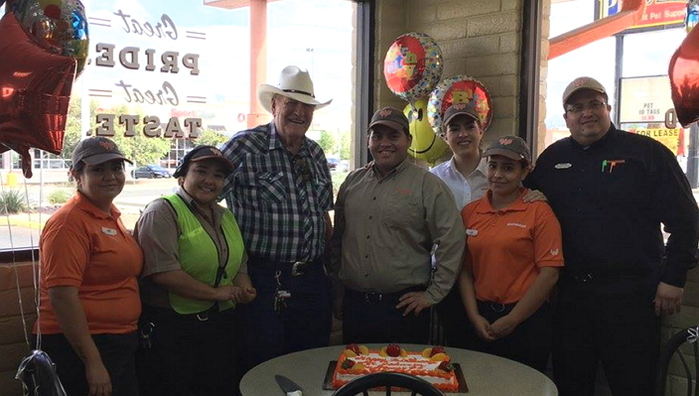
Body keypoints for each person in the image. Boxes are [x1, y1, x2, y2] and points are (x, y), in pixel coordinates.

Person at [526, 76, 699, 396]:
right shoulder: (551, 160)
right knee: (571, 384)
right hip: (570, 299)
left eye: (594, 104)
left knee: (633, 384)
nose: (586, 113)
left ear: (608, 108)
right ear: (566, 118)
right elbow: (526, 209)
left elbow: (687, 220)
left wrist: (674, 278)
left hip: (632, 298)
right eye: (576, 108)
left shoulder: (647, 154)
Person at [219, 65, 334, 370]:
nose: (299, 112)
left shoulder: (316, 153)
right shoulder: (244, 147)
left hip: (312, 280)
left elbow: (323, 217)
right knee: (262, 365)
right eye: (290, 103)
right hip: (262, 279)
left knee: (311, 363)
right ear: (273, 105)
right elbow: (201, 198)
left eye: (306, 106)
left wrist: (330, 272)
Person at [328, 107, 466, 344]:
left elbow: (452, 240)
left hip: (404, 309)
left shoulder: (428, 185)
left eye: (393, 136)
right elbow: (338, 240)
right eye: (377, 136)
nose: (384, 143)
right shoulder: (352, 182)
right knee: (357, 377)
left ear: (408, 140)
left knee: (404, 378)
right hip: (356, 306)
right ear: (368, 140)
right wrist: (337, 291)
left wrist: (433, 294)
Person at [133, 146, 255, 396]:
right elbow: (163, 272)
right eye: (201, 171)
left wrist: (244, 288)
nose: (210, 181)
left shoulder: (225, 215)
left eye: (218, 176)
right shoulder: (162, 211)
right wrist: (217, 294)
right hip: (174, 328)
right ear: (182, 175)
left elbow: (239, 264)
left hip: (218, 327)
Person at [430, 102, 544, 347]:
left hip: (493, 281)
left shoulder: (500, 171)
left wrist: (540, 195)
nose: (463, 134)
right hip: (447, 279)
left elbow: (529, 202)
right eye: (455, 128)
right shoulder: (433, 179)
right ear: (444, 136)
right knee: (457, 352)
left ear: (481, 130)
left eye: (469, 126)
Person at [35, 137, 143, 396]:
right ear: (76, 175)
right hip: (81, 347)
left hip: (116, 341)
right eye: (97, 170)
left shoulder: (109, 215)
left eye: (116, 168)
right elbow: (61, 296)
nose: (110, 176)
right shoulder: (68, 223)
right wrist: (93, 362)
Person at [458, 135, 563, 372]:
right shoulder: (470, 212)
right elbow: (464, 270)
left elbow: (550, 274)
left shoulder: (539, 212)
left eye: (508, 168)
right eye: (493, 166)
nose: (497, 175)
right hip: (481, 317)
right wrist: (474, 316)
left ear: (525, 172)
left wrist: (513, 319)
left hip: (526, 320)